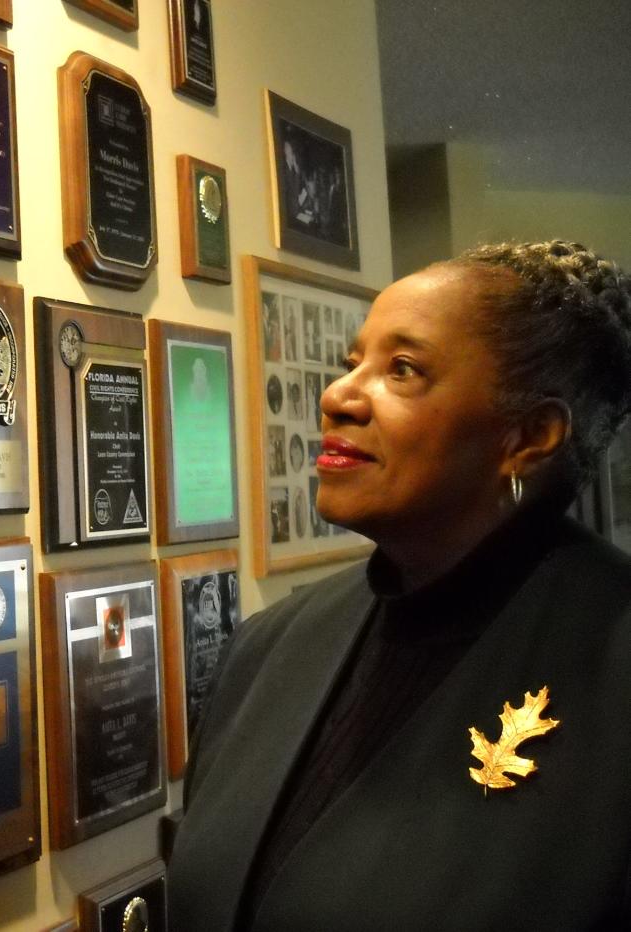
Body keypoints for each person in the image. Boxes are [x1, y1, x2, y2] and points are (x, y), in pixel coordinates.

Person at [167, 242, 631, 930]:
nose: (338, 396)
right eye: (352, 363)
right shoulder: (268, 649)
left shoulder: (613, 659)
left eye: (402, 370)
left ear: (529, 435)